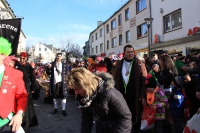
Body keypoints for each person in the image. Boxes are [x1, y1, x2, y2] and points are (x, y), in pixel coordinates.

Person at [66, 67, 132, 133]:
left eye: (77, 89)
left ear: (86, 84)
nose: (75, 92)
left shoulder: (109, 92)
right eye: (74, 89)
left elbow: (126, 117)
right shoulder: (85, 98)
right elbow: (86, 120)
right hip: (102, 128)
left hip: (119, 128)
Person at [114, 44, 147, 132]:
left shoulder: (139, 63)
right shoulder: (119, 63)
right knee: (122, 114)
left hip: (134, 95)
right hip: (121, 95)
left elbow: (144, 80)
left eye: (132, 52)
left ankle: (133, 129)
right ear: (124, 53)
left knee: (133, 115)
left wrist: (142, 94)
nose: (130, 54)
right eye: (128, 52)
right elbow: (115, 78)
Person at [3, 56, 38, 132]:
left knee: (24, 108)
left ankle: (25, 123)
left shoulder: (25, 67)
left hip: (23, 90)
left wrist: (32, 88)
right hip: (11, 95)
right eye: (21, 58)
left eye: (23, 58)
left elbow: (30, 78)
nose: (10, 64)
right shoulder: (6, 70)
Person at [0, 37, 28, 132]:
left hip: (5, 124)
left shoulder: (15, 74)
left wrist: (19, 114)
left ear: (3, 55)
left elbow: (22, 96)